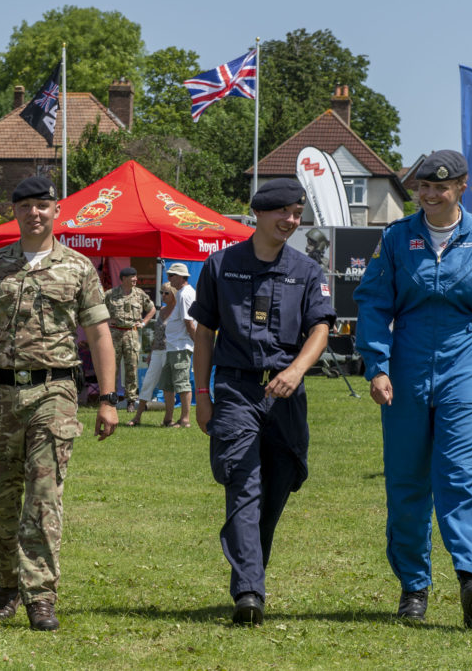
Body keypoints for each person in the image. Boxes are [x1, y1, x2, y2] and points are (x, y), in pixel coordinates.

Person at [353, 150, 472, 629]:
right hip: (404, 373)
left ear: (461, 188)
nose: (429, 194)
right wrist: (377, 366)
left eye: (439, 187)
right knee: (406, 483)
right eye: (423, 187)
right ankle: (413, 588)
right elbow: (372, 303)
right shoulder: (395, 238)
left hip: (464, 371)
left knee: (460, 478)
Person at [0, 176, 118, 632]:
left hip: (55, 393)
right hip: (1, 396)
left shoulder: (79, 268)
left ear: (56, 210)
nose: (34, 213)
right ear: (15, 212)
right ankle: (7, 587)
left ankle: (40, 595)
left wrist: (108, 397)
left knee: (44, 497)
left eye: (43, 205)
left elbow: (100, 333)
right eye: (25, 206)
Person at [191, 178, 335, 625]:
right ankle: (249, 590)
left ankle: (251, 566)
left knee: (278, 486)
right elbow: (204, 334)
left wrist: (295, 371)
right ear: (260, 214)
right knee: (243, 485)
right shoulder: (220, 265)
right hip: (236, 390)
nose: (292, 221)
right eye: (284, 213)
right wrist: (201, 394)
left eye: (297, 214)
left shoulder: (308, 270)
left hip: (287, 394)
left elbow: (320, 330)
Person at [104, 266, 156, 412]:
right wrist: (106, 321)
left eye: (135, 277)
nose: (135, 279)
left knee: (131, 367)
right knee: (111, 367)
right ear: (123, 279)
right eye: (132, 277)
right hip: (115, 334)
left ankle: (131, 400)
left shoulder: (139, 294)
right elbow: (97, 309)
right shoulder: (111, 294)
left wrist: (144, 322)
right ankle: (111, 398)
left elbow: (152, 309)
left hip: (131, 333)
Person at [126, 283, 176, 427]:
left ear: (173, 293)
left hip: (171, 350)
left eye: (166, 293)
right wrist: (151, 352)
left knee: (168, 386)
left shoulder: (179, 311)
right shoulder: (162, 311)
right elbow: (157, 334)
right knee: (148, 382)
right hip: (158, 351)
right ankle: (137, 417)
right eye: (162, 292)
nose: (163, 296)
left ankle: (168, 419)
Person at [159, 262, 196, 428]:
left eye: (171, 275)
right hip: (173, 346)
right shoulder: (182, 293)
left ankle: (185, 419)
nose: (168, 278)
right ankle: (168, 419)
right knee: (167, 384)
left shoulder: (185, 294)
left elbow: (189, 322)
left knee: (182, 383)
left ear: (181, 276)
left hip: (181, 346)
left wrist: (198, 344)